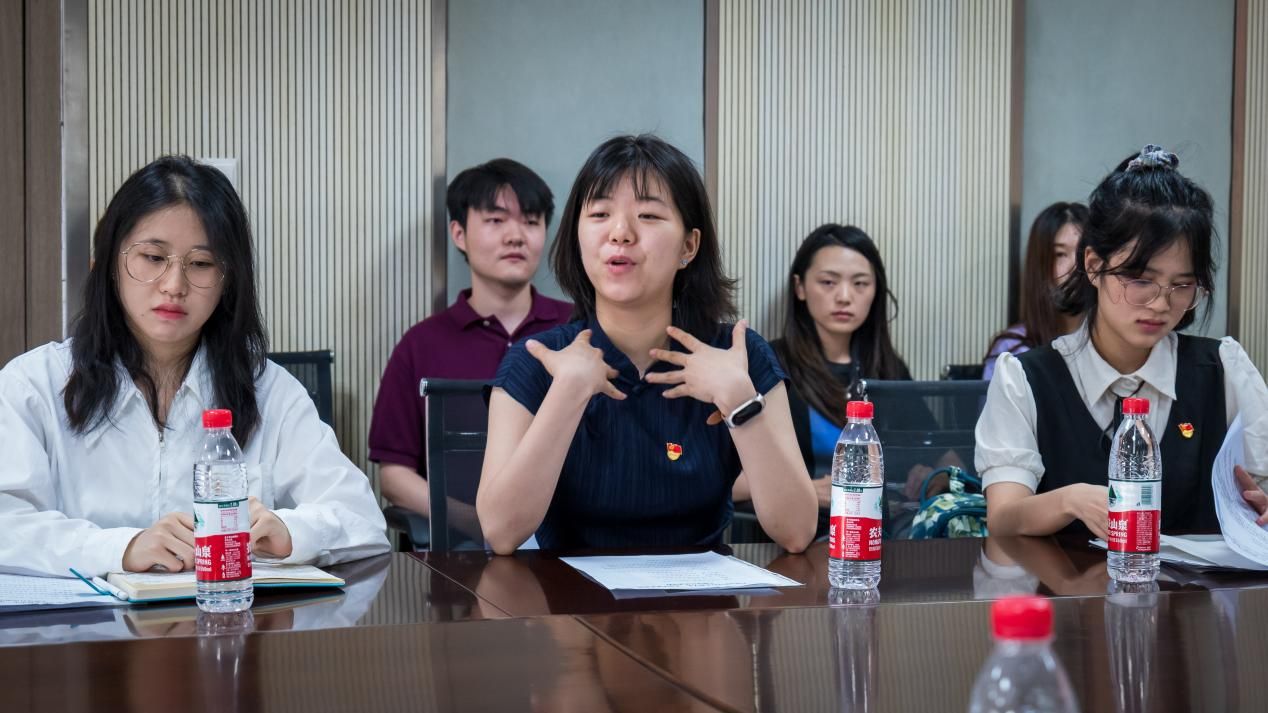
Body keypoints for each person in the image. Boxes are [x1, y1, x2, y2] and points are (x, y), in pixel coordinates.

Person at [0, 155, 389, 577]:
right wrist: (122, 548)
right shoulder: (34, 386)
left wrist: (290, 531)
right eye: (152, 257)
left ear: (228, 280)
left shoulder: (269, 390)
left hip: (229, 616)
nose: (174, 285)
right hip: (89, 620)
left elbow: (361, 519)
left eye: (201, 263)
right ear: (109, 265)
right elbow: (8, 526)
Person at [476, 134, 817, 554]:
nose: (620, 233)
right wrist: (567, 392)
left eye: (649, 215)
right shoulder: (537, 360)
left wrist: (738, 400)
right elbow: (501, 532)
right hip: (567, 594)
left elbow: (797, 531)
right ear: (577, 237)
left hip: (705, 593)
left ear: (689, 246)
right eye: (600, 214)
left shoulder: (739, 355)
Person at [977, 145, 1268, 539]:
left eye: (1182, 285)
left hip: (1202, 582)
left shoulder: (1223, 369)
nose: (1161, 304)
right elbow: (1003, 517)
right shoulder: (1025, 378)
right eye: (1141, 280)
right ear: (1094, 265)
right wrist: (1069, 500)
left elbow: (1261, 488)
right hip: (1070, 581)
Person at [368, 159, 570, 524]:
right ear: (459, 234)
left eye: (531, 221)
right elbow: (394, 476)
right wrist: (478, 524)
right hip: (460, 546)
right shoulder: (421, 344)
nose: (516, 236)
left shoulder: (576, 330)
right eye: (496, 220)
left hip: (570, 543)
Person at [740, 224, 923, 518]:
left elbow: (943, 453)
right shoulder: (769, 362)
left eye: (860, 283)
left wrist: (930, 473)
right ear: (800, 287)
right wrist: (802, 489)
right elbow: (724, 479)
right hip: (799, 528)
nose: (844, 296)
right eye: (828, 282)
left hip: (881, 529)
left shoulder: (888, 366)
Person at [982, 202, 1089, 380]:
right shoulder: (1013, 351)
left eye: (1083, 254)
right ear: (1040, 265)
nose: (1075, 267)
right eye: (1060, 254)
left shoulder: (1115, 346)